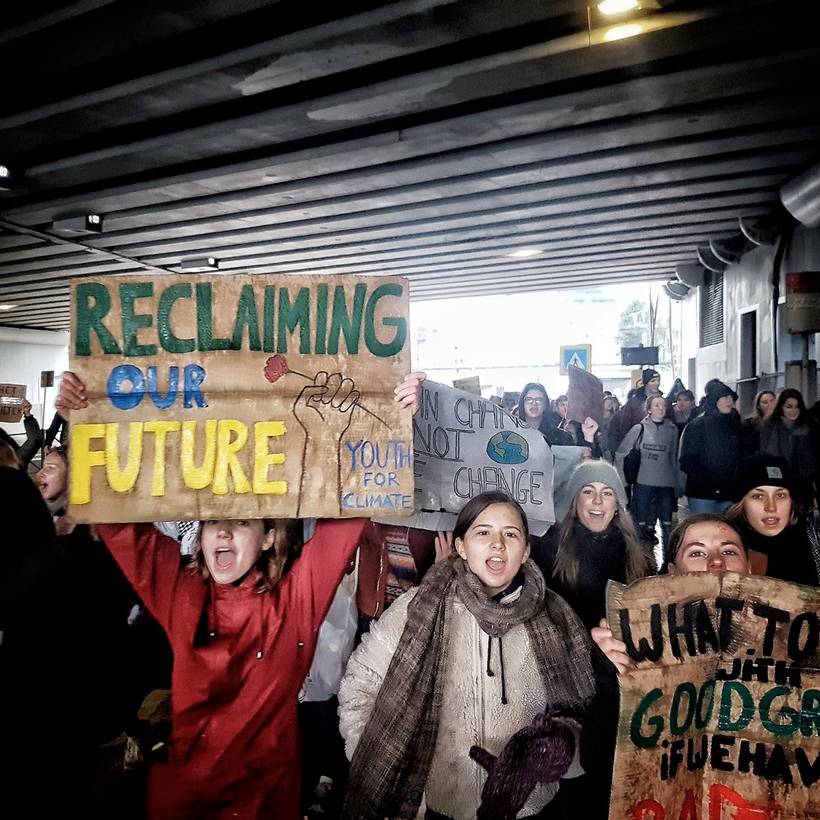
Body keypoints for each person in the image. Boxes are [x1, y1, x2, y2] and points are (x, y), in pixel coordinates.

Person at [55, 370, 422, 820]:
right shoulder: (183, 594)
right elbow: (120, 525)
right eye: (212, 522)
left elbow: (351, 512)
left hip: (266, 803)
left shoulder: (294, 604)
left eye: (241, 522)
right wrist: (83, 419)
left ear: (269, 537)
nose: (223, 531)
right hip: (187, 801)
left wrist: (393, 414)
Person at [339, 491, 596, 820]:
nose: (498, 544)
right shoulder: (417, 609)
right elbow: (361, 683)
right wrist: (382, 760)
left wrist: (563, 748)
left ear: (526, 550)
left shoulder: (556, 618)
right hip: (437, 808)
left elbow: (584, 712)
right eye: (483, 532)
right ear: (461, 546)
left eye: (511, 534)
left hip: (527, 809)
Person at [592, 514, 750, 674]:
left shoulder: (776, 633)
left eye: (729, 552)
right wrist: (612, 667)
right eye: (697, 553)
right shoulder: (643, 639)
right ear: (673, 573)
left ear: (749, 568)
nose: (716, 561)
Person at [532, 460, 652, 631]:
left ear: (616, 506)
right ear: (575, 501)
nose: (598, 501)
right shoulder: (548, 552)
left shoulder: (640, 557)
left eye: (607, 493)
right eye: (588, 491)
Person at [726, 454, 820, 586]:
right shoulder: (727, 547)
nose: (771, 507)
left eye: (780, 495)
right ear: (742, 504)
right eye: (758, 496)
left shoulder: (813, 538)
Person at [615, 395, 680, 552]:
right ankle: (640, 559)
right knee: (640, 522)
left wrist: (678, 484)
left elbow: (674, 457)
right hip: (643, 481)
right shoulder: (640, 428)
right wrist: (621, 480)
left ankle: (668, 558)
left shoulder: (672, 430)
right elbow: (621, 453)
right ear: (649, 409)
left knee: (666, 524)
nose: (660, 408)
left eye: (663, 406)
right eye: (656, 405)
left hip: (666, 483)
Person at [678, 379, 741, 513]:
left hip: (728, 493)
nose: (729, 401)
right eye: (724, 397)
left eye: (731, 397)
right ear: (714, 401)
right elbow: (687, 460)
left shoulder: (735, 426)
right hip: (703, 494)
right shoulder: (698, 425)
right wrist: (709, 482)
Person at [756, 388, 820, 509]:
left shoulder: (810, 427)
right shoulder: (769, 426)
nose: (793, 411)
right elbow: (763, 456)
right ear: (781, 407)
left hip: (804, 485)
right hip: (776, 484)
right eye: (789, 406)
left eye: (797, 406)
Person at [610, 369, 662, 449]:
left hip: (660, 444)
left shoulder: (665, 402)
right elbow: (625, 426)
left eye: (658, 380)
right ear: (645, 383)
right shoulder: (633, 403)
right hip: (638, 446)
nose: (657, 383)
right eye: (653, 381)